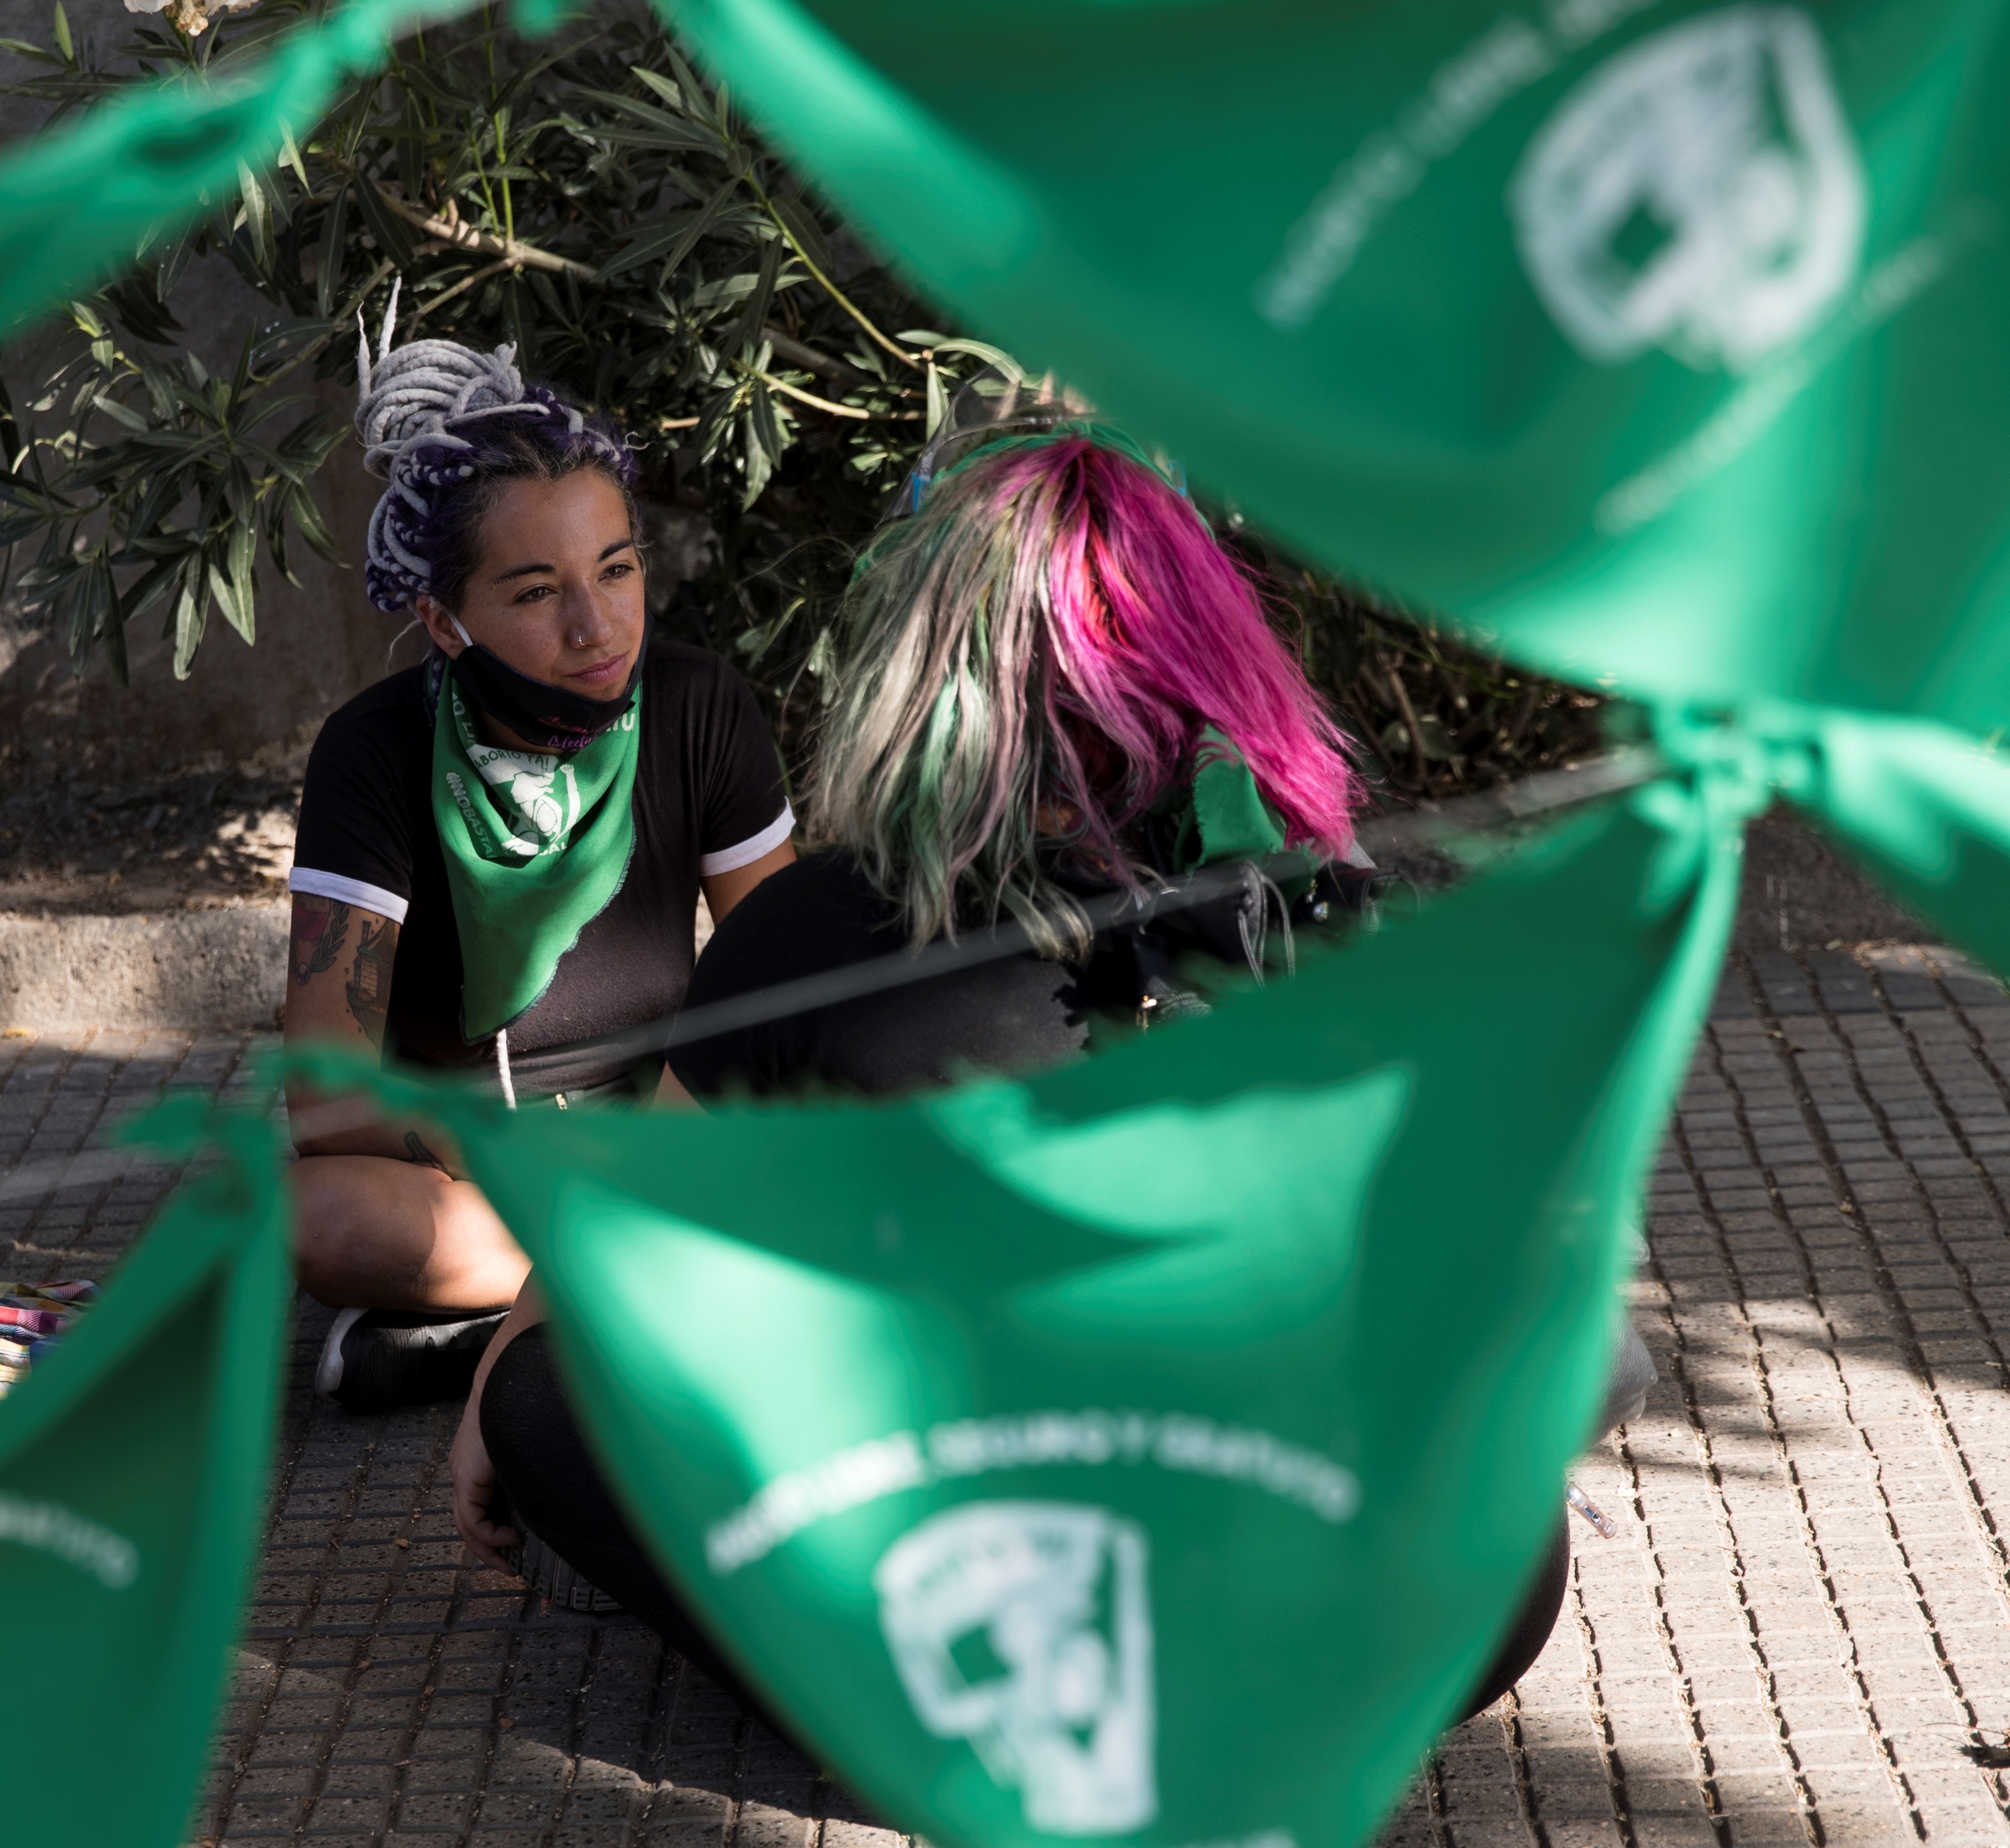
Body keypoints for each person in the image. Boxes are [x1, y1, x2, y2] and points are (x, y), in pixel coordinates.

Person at [452, 423, 1625, 1725]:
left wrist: (509, 1385)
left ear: (924, 668)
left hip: (999, 1612)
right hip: (1392, 1625)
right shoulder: (1373, 898)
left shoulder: (823, 927)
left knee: (551, 1401)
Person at [284, 307, 795, 1409]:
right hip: (478, 1173)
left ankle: (495, 1329)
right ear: (442, 618)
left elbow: (785, 974)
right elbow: (329, 1089)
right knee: (311, 1215)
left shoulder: (701, 706)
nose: (596, 625)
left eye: (616, 570)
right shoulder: (373, 753)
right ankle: (638, 1300)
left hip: (669, 1137)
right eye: (533, 592)